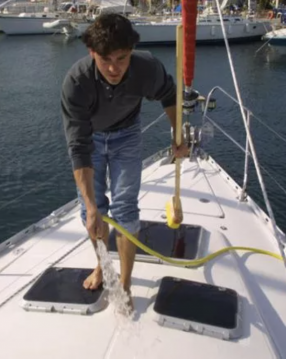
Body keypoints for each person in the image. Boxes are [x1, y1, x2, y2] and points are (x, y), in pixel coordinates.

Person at [60, 13, 188, 310]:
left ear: (131, 51)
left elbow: (169, 94)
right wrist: (91, 207)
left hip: (127, 136)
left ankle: (125, 283)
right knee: (93, 212)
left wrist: (177, 134)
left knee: (125, 209)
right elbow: (78, 146)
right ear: (92, 53)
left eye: (122, 57)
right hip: (90, 139)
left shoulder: (146, 68)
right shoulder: (76, 82)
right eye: (105, 59)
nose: (114, 68)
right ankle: (103, 268)